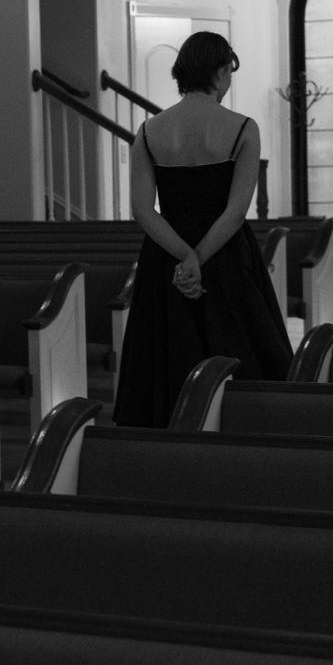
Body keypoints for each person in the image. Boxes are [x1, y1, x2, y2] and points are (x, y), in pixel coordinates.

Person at [111, 31, 292, 427]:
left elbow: (143, 209)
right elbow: (236, 210)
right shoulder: (242, 127)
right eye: (229, 71)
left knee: (166, 359)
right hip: (225, 254)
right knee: (243, 351)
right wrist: (201, 258)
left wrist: (184, 256)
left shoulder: (149, 131)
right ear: (221, 72)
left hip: (166, 257)